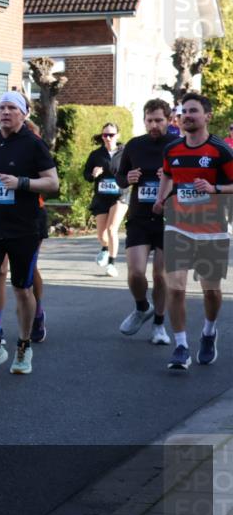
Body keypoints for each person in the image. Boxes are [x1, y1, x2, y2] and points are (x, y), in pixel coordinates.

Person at [0, 91, 59, 377]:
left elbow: (52, 183)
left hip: (24, 228)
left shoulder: (33, 144)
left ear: (23, 113)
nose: (5, 112)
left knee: (22, 289)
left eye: (11, 107)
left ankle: (23, 345)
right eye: (1, 107)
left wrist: (21, 183)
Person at [152, 92, 233, 369]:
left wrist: (215, 189)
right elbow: (169, 176)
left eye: (193, 111)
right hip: (177, 226)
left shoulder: (220, 150)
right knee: (175, 288)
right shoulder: (172, 150)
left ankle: (209, 332)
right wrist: (160, 199)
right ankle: (182, 346)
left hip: (212, 228)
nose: (187, 115)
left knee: (211, 292)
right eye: (184, 111)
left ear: (207, 116)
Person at [115, 98, 174, 345]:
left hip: (169, 218)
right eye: (149, 120)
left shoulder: (177, 145)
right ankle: (142, 307)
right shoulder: (134, 145)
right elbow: (119, 178)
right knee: (136, 272)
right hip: (139, 217)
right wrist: (127, 177)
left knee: (161, 275)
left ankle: (159, 325)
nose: (154, 125)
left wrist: (173, 177)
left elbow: (192, 180)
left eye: (159, 120)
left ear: (169, 121)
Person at [85, 123, 126, 277]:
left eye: (111, 135)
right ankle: (104, 248)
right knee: (102, 235)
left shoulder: (125, 153)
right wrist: (93, 174)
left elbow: (134, 170)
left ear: (118, 136)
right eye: (105, 135)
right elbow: (86, 175)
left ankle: (112, 264)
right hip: (102, 197)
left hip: (120, 196)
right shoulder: (96, 155)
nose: (108, 138)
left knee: (111, 229)